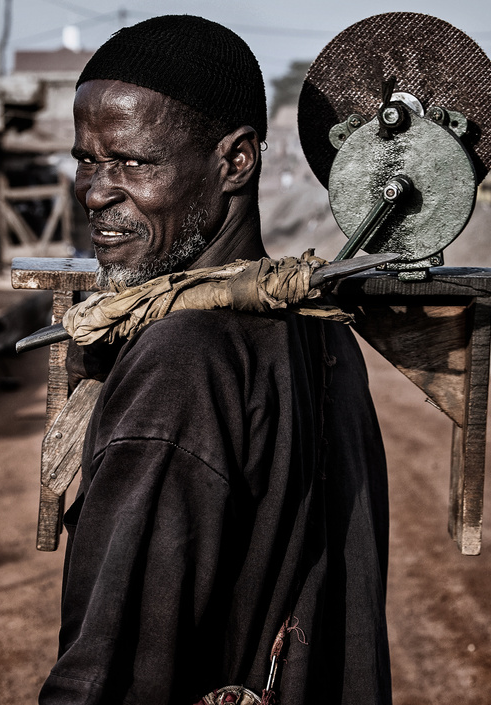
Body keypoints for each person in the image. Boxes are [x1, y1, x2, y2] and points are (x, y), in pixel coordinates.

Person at [39, 15, 391, 705]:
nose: (96, 191)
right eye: (87, 160)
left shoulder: (182, 363)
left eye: (134, 163)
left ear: (235, 162)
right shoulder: (320, 330)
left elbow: (108, 672)